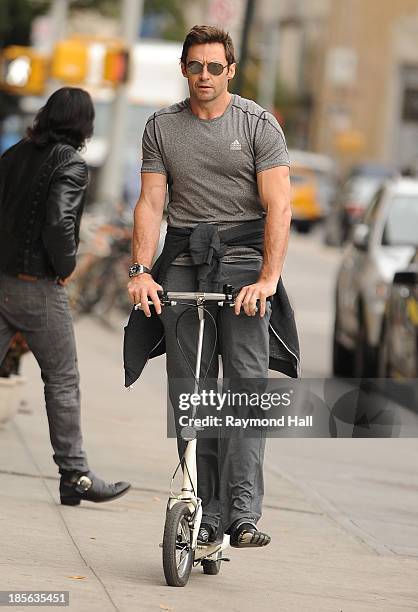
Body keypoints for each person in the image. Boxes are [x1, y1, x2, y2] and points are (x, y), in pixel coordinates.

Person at [125, 26, 299, 547]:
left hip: (244, 259)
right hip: (183, 257)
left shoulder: (258, 125)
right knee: (191, 392)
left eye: (214, 67)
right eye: (196, 66)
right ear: (184, 69)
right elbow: (152, 203)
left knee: (246, 386)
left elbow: (279, 206)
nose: (205, 76)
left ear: (230, 70)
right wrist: (140, 271)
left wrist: (268, 280)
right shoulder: (161, 127)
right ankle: (200, 505)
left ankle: (241, 514)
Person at [0, 87, 130, 505]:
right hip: (37, 285)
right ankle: (74, 474)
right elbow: (59, 222)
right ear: (84, 124)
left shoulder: (15, 153)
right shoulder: (71, 163)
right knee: (62, 379)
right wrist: (66, 268)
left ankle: (74, 477)